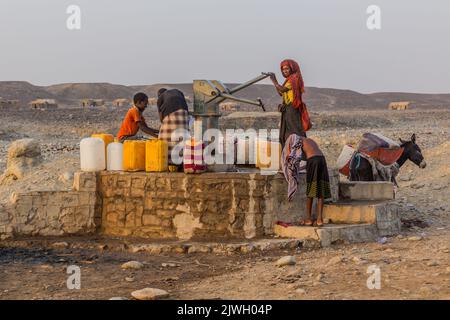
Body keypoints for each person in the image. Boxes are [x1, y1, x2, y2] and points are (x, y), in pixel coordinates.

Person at [269, 59, 307, 149]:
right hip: (287, 109)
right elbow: (280, 92)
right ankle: (287, 152)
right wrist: (276, 83)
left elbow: (282, 89)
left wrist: (274, 80)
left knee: (295, 131)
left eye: (286, 69)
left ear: (292, 68)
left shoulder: (294, 78)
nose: (284, 71)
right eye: (283, 69)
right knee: (285, 131)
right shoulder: (288, 80)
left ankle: (302, 152)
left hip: (292, 109)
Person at [298, 136, 331, 227]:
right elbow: (312, 154)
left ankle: (308, 219)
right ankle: (319, 219)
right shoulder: (310, 140)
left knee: (311, 189)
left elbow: (295, 157)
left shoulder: (297, 140)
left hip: (313, 160)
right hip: (322, 159)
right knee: (321, 189)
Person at [156, 88, 189, 164]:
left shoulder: (160, 99)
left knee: (165, 138)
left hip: (172, 115)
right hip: (184, 112)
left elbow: (161, 118)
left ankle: (169, 161)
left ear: (159, 95)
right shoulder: (178, 92)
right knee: (182, 136)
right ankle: (182, 160)